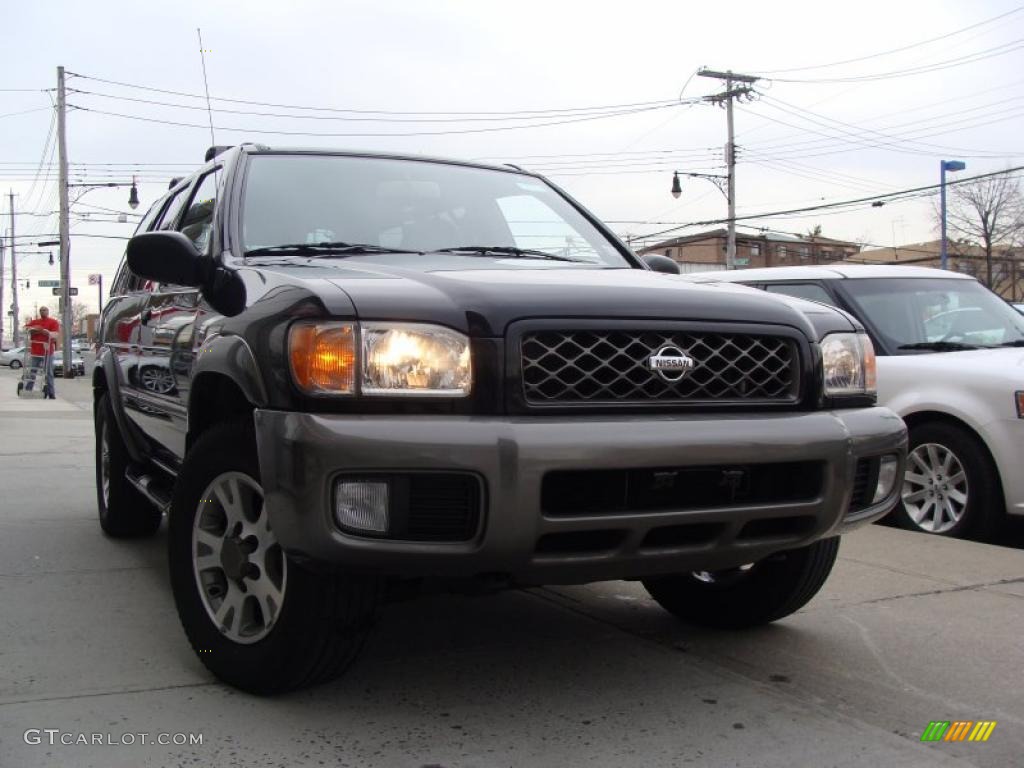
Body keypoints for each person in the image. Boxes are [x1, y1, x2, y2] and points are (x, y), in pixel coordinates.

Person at [24, 307, 60, 399]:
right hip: (35, 351)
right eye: (41, 310)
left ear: (48, 311)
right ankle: (28, 390)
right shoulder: (35, 322)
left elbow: (55, 334)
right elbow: (26, 328)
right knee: (32, 371)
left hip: (47, 351)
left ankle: (51, 393)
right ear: (39, 312)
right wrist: (34, 329)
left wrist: (45, 332)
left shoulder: (53, 322)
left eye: (45, 310)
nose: (43, 312)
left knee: (49, 373)